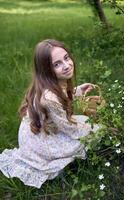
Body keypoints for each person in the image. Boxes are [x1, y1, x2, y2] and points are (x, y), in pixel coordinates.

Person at [0, 39, 101, 189]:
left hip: (40, 129)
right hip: (40, 141)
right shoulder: (49, 98)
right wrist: (97, 128)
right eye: (57, 64)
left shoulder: (51, 83)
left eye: (66, 58)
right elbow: (69, 128)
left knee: (85, 123)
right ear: (46, 70)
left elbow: (62, 96)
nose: (66, 65)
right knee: (92, 129)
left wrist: (77, 91)